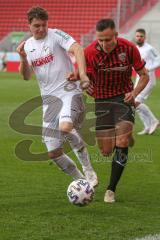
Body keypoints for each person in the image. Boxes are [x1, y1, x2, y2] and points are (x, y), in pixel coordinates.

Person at [68, 18, 149, 203]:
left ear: (116, 36)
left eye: (108, 39)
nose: (104, 44)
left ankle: (111, 190)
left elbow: (144, 75)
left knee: (122, 140)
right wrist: (80, 79)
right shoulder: (89, 52)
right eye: (100, 40)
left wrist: (135, 93)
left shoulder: (128, 48)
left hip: (123, 99)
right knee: (106, 150)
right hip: (102, 101)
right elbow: (83, 76)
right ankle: (123, 134)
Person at [16, 6, 98, 187]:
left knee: (65, 127)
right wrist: (22, 58)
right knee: (54, 153)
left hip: (69, 91)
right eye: (37, 26)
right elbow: (26, 76)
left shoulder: (55, 35)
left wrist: (83, 75)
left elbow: (77, 48)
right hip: (49, 101)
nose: (41, 29)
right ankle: (82, 184)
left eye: (44, 25)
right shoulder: (28, 46)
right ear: (29, 25)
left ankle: (89, 170)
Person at [134, 28, 160, 135]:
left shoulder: (150, 48)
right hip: (138, 78)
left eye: (141, 36)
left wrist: (150, 68)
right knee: (135, 103)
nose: (139, 38)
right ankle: (147, 127)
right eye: (138, 36)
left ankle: (154, 121)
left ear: (145, 37)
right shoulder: (135, 48)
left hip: (148, 78)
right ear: (135, 37)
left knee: (135, 102)